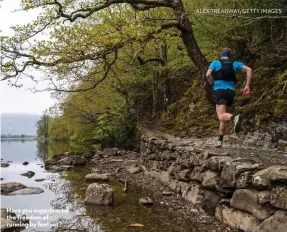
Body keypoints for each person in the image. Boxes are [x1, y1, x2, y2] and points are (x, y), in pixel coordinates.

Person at [205, 48, 252, 148]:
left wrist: (211, 82)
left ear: (221, 55)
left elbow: (208, 74)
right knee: (223, 118)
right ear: (229, 55)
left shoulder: (215, 62)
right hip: (230, 92)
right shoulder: (235, 63)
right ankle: (220, 140)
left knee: (221, 116)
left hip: (219, 91)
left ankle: (234, 117)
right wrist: (247, 85)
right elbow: (249, 69)